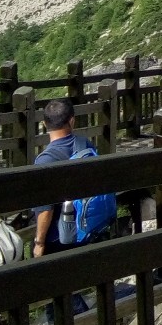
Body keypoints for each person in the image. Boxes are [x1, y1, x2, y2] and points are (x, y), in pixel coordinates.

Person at [32, 98, 100, 255]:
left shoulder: (45, 160)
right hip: (87, 227)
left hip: (60, 236)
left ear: (44, 124)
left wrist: (39, 242)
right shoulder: (85, 144)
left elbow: (45, 210)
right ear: (72, 121)